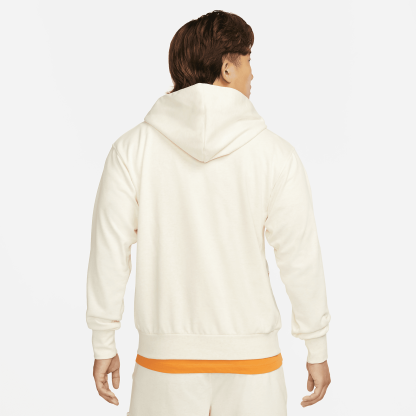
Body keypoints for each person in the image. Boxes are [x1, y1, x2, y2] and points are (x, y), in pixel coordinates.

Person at [86, 10, 331, 416]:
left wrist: (103, 342)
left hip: (165, 363)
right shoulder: (275, 154)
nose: (253, 73)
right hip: (252, 364)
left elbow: (109, 250)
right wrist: (316, 346)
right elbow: (299, 256)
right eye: (248, 60)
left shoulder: (132, 150)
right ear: (227, 68)